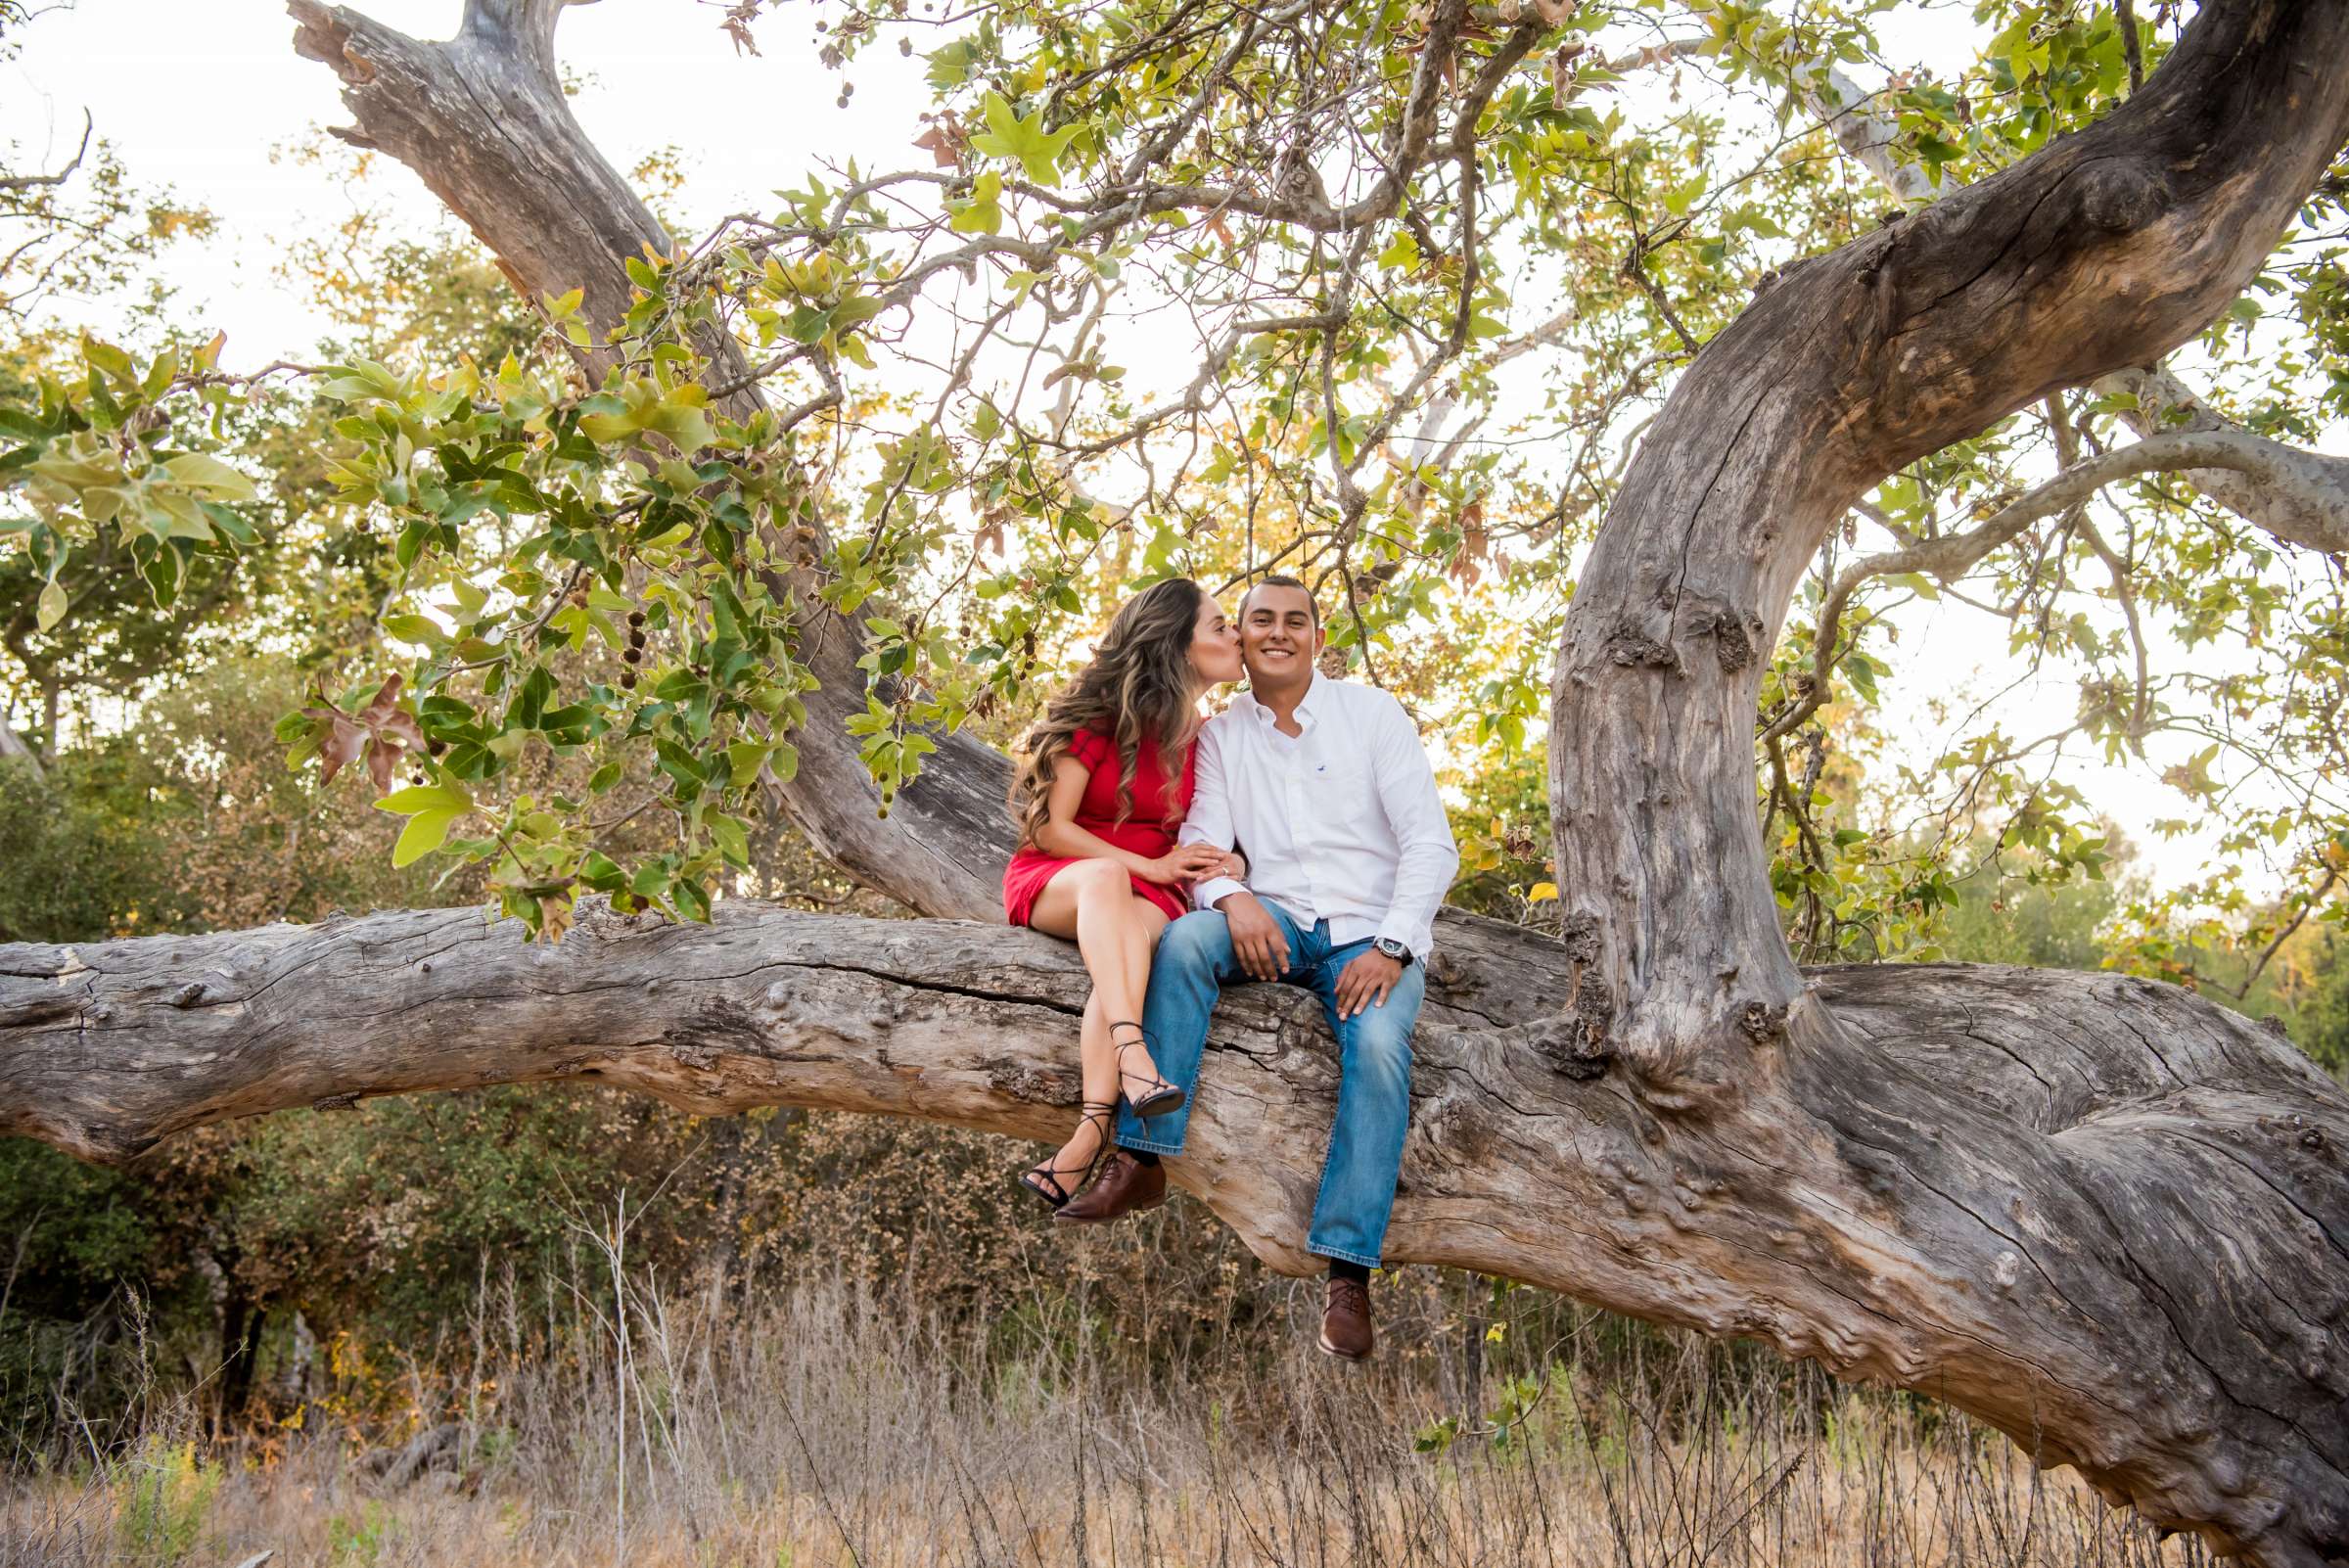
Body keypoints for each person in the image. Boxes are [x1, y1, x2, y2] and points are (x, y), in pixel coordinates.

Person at [1053, 576, 1458, 1362]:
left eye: (1295, 621)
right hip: (1272, 923)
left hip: (1368, 934)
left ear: (1317, 634)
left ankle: (1347, 1272)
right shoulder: (1221, 734)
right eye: (1260, 621)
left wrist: (1392, 945)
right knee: (1187, 943)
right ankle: (1141, 1156)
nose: (1278, 633)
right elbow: (1204, 840)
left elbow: (1430, 847)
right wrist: (1230, 897)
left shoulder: (1372, 715)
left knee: (1377, 1049)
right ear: (1240, 635)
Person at [1001, 576, 1247, 1212]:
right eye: (1220, 625)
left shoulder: (1214, 738)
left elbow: (1235, 828)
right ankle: (1136, 1058)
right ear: (1175, 640)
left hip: (1153, 893)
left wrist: (1233, 859)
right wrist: (1150, 863)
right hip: (1066, 875)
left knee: (1129, 955)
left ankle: (1086, 1136)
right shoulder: (1099, 714)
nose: (1237, 634)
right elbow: (1054, 829)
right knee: (1108, 886)